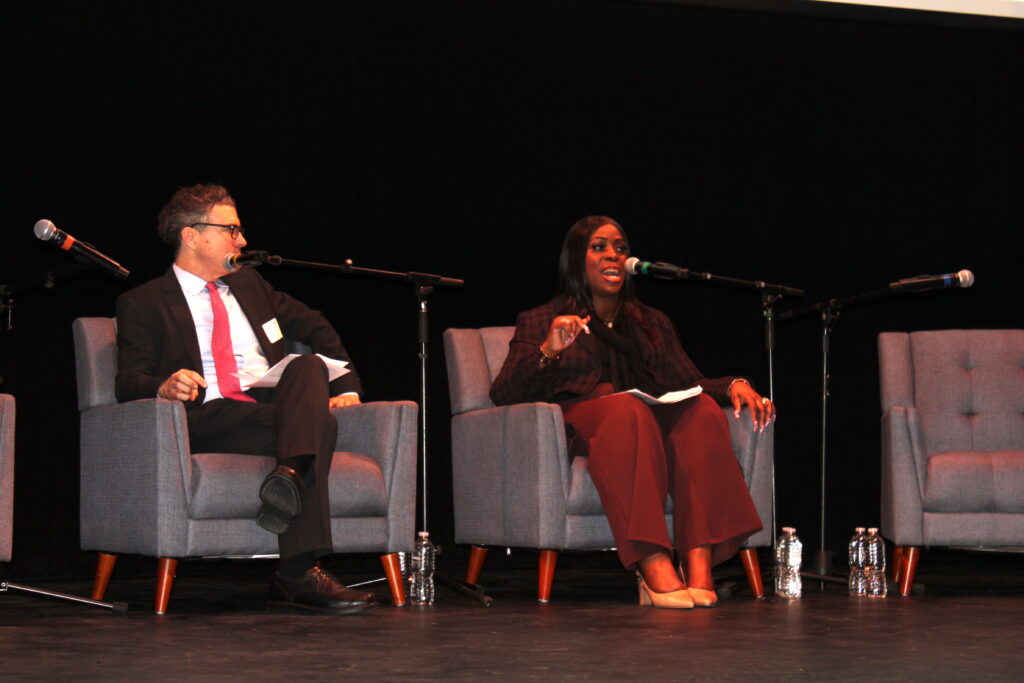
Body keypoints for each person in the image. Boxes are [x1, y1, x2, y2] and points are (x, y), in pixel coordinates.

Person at [490, 216, 775, 609]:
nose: (613, 255)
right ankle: (651, 560)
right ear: (577, 258)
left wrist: (732, 386)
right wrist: (550, 349)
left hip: (640, 412)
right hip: (584, 417)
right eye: (599, 246)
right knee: (627, 407)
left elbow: (688, 382)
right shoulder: (541, 318)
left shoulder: (650, 322)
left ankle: (698, 560)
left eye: (620, 247)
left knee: (702, 411)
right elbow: (503, 394)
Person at [115, 183, 375, 615]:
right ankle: (296, 572)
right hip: (206, 415)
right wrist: (162, 385)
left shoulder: (251, 285)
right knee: (320, 427)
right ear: (192, 235)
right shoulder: (142, 302)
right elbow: (127, 381)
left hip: (269, 411)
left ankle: (289, 474)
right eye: (231, 230)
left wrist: (346, 389)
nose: (243, 241)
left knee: (308, 368)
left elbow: (316, 328)